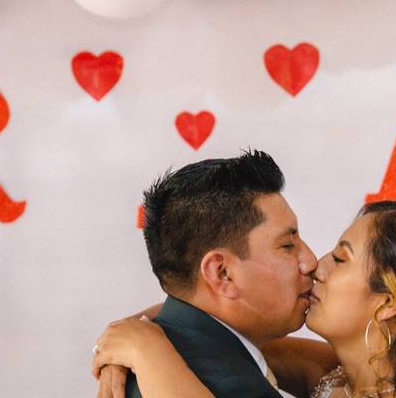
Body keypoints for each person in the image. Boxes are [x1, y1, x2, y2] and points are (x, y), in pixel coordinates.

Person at [93, 200, 396, 398]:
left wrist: (146, 351)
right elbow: (206, 315)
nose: (315, 264)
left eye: (341, 258)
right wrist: (123, 338)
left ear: (389, 302)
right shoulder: (335, 376)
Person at [98, 150, 319, 397]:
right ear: (222, 273)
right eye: (288, 245)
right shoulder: (236, 387)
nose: (311, 262)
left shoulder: (163, 352)